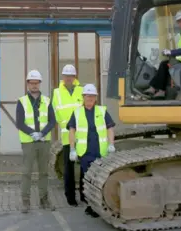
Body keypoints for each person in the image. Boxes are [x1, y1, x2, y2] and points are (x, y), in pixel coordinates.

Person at [67, 84, 116, 218]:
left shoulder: (102, 110)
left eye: (92, 96)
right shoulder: (77, 113)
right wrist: (72, 149)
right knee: (87, 180)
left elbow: (110, 128)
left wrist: (111, 144)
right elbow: (72, 131)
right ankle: (91, 205)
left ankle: (95, 206)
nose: (90, 98)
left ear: (96, 98)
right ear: (83, 97)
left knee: (99, 180)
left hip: (100, 153)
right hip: (85, 153)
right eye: (87, 96)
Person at [16, 69, 57, 213]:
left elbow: (52, 120)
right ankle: (25, 201)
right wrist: (32, 133)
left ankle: (44, 200)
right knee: (27, 172)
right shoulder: (22, 101)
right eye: (31, 83)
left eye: (36, 83)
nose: (34, 85)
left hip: (44, 142)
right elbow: (19, 123)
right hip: (29, 143)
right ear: (27, 84)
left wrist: (42, 133)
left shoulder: (47, 101)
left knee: (44, 172)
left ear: (40, 83)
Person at [144, 9, 181, 98]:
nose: (180, 24)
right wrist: (171, 52)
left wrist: (171, 52)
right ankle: (157, 89)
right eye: (179, 22)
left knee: (164, 65)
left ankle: (157, 89)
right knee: (165, 64)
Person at [51, 64, 83, 206]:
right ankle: (70, 197)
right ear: (62, 77)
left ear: (74, 77)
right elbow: (55, 113)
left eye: (71, 76)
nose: (68, 78)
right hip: (66, 137)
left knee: (85, 167)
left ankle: (84, 195)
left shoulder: (82, 91)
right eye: (66, 76)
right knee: (68, 169)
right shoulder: (57, 93)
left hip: (82, 136)